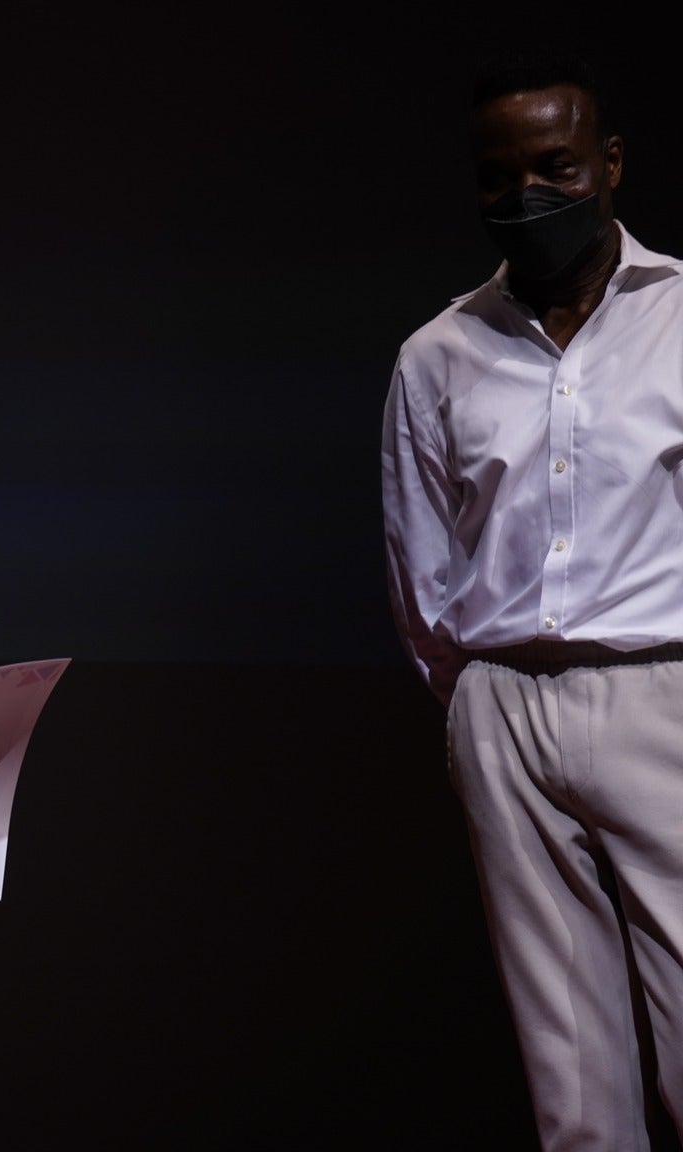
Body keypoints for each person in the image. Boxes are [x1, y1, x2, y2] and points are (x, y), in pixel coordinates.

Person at [380, 52, 682, 1150]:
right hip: (501, 702)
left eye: (554, 167)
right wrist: (474, 701)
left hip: (661, 693)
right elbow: (420, 562)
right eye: (498, 178)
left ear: (609, 162)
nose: (527, 195)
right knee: (569, 1069)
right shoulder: (437, 353)